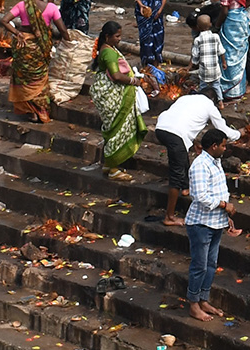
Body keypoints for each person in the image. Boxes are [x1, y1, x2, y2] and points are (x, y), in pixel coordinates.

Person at [155, 89, 239, 226]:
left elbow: (184, 119)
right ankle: (169, 217)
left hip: (161, 128)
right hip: (176, 134)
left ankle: (186, 186)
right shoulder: (209, 106)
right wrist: (238, 134)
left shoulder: (186, 98)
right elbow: (223, 131)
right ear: (214, 100)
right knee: (176, 174)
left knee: (181, 156)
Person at [2, 0, 69, 123]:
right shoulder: (51, 8)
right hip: (40, 48)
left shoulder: (21, 5)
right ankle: (41, 112)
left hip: (23, 46)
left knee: (24, 79)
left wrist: (17, 33)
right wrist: (70, 40)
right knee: (39, 80)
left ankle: (30, 112)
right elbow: (62, 29)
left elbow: (4, 20)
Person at [88, 21, 147, 182]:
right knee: (117, 129)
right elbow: (116, 76)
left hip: (111, 92)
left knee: (114, 128)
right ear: (107, 37)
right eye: (117, 36)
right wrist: (134, 81)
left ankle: (109, 164)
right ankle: (113, 168)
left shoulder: (108, 49)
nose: (119, 39)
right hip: (112, 95)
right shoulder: (108, 53)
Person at [185, 127, 233, 321]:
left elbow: (219, 190)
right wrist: (224, 205)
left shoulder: (216, 162)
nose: (224, 148)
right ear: (214, 146)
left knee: (211, 264)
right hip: (200, 224)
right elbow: (200, 196)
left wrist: (226, 215)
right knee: (199, 266)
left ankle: (204, 299)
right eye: (223, 145)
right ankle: (193, 304)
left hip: (216, 222)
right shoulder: (200, 165)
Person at [213, 0, 250, 100]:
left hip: (231, 23)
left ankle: (229, 91)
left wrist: (216, 26)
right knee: (240, 56)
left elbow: (224, 11)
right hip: (242, 20)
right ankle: (239, 90)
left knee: (229, 56)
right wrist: (240, 10)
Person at [134, 0, 174, 68]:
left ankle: (157, 63)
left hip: (157, 11)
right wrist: (141, 5)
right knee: (146, 38)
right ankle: (147, 64)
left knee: (158, 36)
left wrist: (160, 10)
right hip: (144, 12)